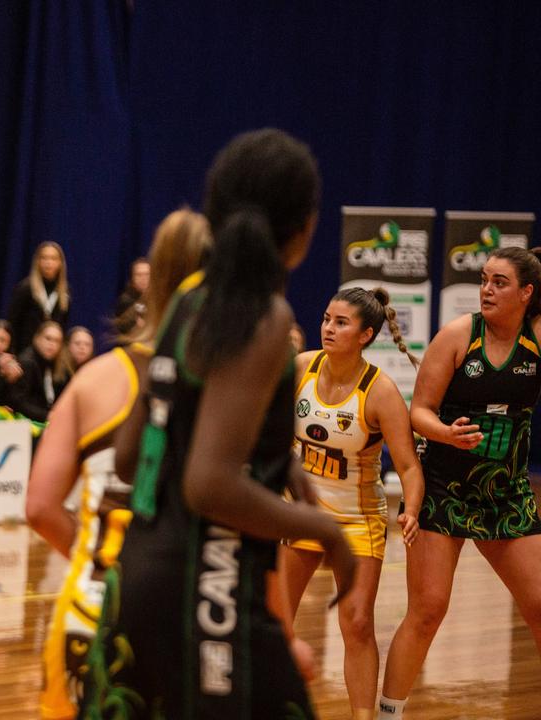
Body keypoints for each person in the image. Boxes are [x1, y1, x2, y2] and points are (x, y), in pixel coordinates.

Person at [85, 129, 355, 718]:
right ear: (304, 229)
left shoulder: (187, 299)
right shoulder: (265, 315)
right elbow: (207, 485)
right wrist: (327, 530)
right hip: (210, 597)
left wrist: (273, 456)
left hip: (137, 585)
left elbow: (132, 455)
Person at [26, 209, 211, 719]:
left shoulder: (96, 378)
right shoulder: (230, 384)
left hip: (92, 607)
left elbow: (40, 507)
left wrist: (95, 560)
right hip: (190, 619)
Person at [378, 246, 541, 719]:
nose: (487, 289)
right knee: (427, 611)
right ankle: (389, 714)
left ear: (527, 293)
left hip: (506, 494)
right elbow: (419, 412)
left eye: (500, 282)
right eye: (484, 279)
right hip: (445, 493)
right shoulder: (457, 335)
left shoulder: (535, 340)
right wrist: (446, 432)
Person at [278, 288, 424, 720]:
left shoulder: (380, 392)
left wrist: (411, 509)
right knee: (278, 622)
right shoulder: (302, 367)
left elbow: (410, 467)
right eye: (326, 318)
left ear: (366, 335)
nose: (328, 327)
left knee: (357, 624)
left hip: (358, 519)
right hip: (302, 513)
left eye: (341, 322)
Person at [8, 241, 69, 352]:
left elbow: (63, 326)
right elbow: (12, 324)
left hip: (53, 354)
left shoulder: (65, 292)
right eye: (44, 258)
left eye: (53, 258)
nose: (48, 263)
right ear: (37, 262)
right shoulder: (25, 288)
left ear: (60, 263)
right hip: (26, 352)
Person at [10, 320, 65, 423]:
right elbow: (19, 402)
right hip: (26, 425)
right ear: (37, 338)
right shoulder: (27, 362)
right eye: (48, 338)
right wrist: (47, 415)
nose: (52, 344)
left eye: (57, 341)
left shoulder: (52, 363)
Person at [113, 257, 150, 336]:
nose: (143, 278)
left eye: (147, 274)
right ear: (132, 278)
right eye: (139, 275)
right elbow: (122, 327)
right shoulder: (125, 301)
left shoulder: (157, 299)